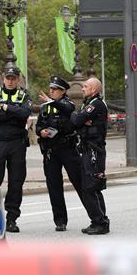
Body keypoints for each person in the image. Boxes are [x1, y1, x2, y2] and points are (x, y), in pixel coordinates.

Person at [36, 76, 87, 232]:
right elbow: (38, 126)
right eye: (50, 89)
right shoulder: (46, 107)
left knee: (80, 182)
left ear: (63, 91)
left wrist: (51, 101)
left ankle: (96, 216)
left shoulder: (67, 104)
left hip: (68, 149)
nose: (51, 91)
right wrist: (41, 132)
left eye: (55, 89)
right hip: (51, 150)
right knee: (54, 186)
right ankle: (60, 221)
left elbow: (69, 110)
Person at [0, 66, 32, 233]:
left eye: (14, 78)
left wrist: (4, 108)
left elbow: (25, 112)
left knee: (16, 182)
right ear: (3, 78)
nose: (10, 81)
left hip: (17, 144)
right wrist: (13, 112)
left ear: (18, 79)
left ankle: (11, 219)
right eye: (8, 78)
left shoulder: (24, 95)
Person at [71, 77, 110, 235]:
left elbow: (77, 120)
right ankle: (100, 220)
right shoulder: (90, 103)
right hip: (88, 149)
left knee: (90, 187)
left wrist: (77, 115)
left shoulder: (96, 104)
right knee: (93, 187)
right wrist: (81, 119)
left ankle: (99, 222)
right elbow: (80, 121)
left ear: (94, 89)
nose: (82, 89)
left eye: (85, 86)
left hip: (94, 150)